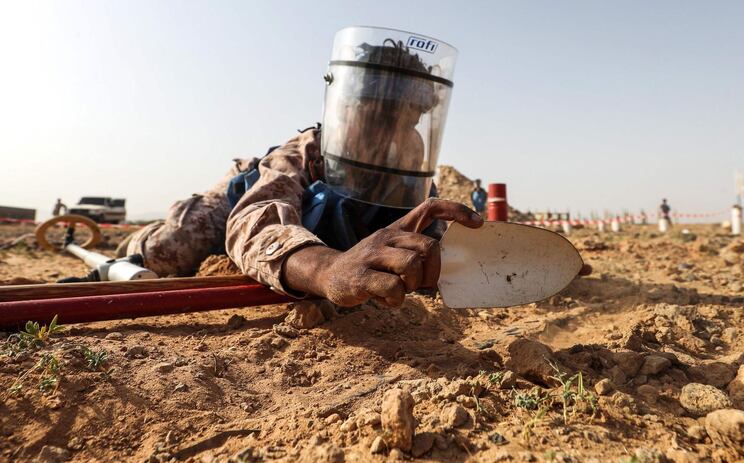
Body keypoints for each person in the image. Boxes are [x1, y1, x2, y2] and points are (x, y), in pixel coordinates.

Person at [119, 27, 480, 307]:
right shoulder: (308, 150)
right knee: (172, 249)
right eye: (380, 113)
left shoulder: (410, 160)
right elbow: (257, 221)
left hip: (314, 236)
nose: (395, 131)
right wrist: (327, 271)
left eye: (410, 118)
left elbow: (425, 238)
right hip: (245, 199)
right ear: (349, 108)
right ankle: (133, 242)